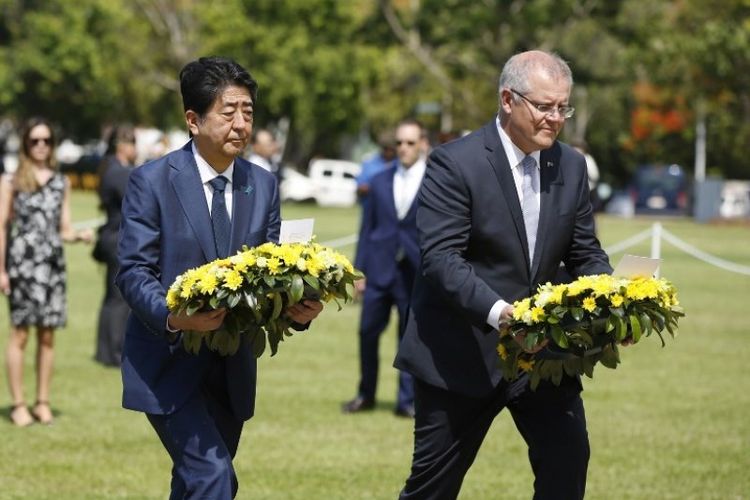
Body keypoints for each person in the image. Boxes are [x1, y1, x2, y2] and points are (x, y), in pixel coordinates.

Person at [394, 50, 613, 499]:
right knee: (432, 489)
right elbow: (440, 258)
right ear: (508, 99)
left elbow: (585, 252)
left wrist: (613, 306)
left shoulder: (570, 166)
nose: (555, 118)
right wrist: (502, 314)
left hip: (544, 356)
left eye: (562, 107)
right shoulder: (454, 163)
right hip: (461, 354)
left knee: (567, 467)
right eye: (545, 106)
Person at [116, 56, 323, 499]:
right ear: (193, 120)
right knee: (213, 478)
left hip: (231, 370)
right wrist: (176, 317)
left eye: (247, 111)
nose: (241, 124)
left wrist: (299, 309)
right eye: (228, 112)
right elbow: (133, 272)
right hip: (166, 363)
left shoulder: (263, 185)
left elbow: (271, 276)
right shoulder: (151, 182)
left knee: (195, 484)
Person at [0, 117, 93, 426]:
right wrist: (1, 270)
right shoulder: (12, 181)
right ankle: (18, 404)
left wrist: (77, 236)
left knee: (48, 335)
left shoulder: (60, 181)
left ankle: (42, 402)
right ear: (26, 144)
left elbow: (63, 228)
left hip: (52, 266)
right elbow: (2, 227)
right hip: (22, 265)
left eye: (46, 141)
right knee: (20, 334)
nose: (41, 146)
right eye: (34, 141)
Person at [342, 119, 428, 418]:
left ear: (422, 144)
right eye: (400, 143)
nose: (403, 148)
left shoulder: (435, 181)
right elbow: (366, 230)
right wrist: (357, 272)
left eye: (410, 143)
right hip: (379, 270)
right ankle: (366, 395)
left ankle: (407, 401)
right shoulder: (378, 181)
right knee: (367, 333)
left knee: (408, 340)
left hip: (414, 273)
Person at [92, 125, 138, 367]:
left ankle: (105, 350)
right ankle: (115, 351)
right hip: (118, 238)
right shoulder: (118, 172)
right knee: (119, 298)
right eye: (133, 143)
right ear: (122, 144)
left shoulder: (109, 168)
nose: (135, 149)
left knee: (112, 297)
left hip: (111, 237)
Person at [356, 131, 397, 210]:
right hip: (372, 209)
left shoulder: (400, 164)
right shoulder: (369, 163)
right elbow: (359, 189)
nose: (389, 151)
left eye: (392, 149)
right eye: (386, 148)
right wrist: (376, 187)